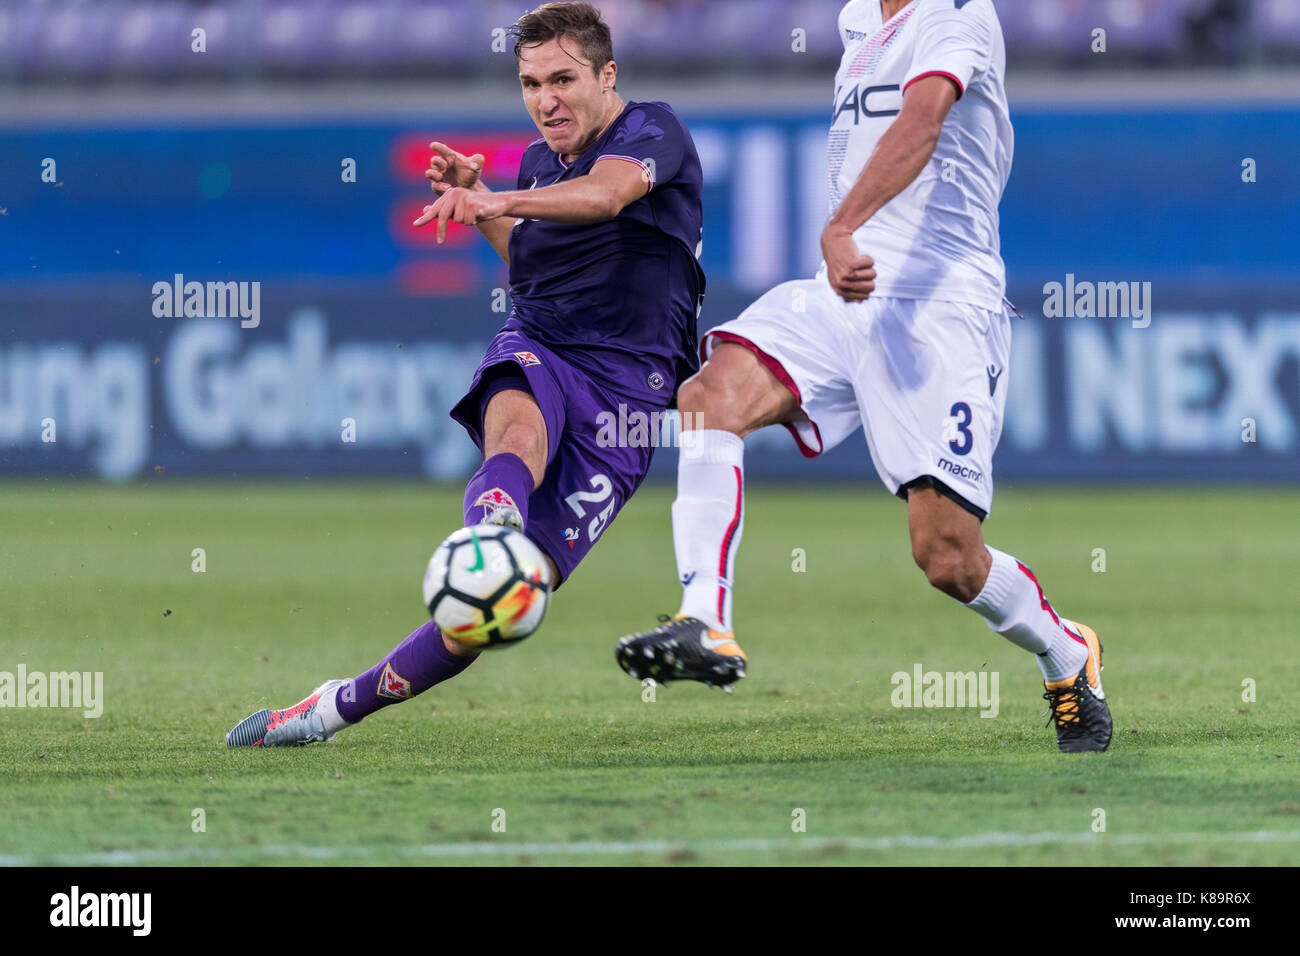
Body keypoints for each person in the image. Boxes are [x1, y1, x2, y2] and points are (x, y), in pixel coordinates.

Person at [614, 0, 1112, 753]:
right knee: (707, 396)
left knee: (946, 556)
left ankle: (1066, 651)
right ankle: (705, 618)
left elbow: (923, 121)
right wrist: (845, 241)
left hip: (938, 302)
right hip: (841, 292)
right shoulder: (856, 21)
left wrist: (842, 223)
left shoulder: (958, 15)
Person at [228, 1, 705, 747]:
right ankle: (494, 526)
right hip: (544, 342)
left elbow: (608, 196)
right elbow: (538, 265)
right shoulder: (540, 163)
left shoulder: (653, 131)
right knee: (512, 438)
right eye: (529, 83)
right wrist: (489, 212)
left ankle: (334, 706)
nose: (545, 100)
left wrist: (495, 197)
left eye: (562, 79)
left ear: (607, 76)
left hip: (628, 397)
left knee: (490, 614)